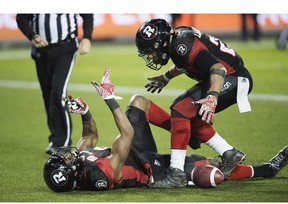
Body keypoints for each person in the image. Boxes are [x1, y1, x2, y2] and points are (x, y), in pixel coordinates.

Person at [42, 68, 288, 192]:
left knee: (139, 101)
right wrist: (109, 99)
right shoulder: (98, 175)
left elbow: (89, 136)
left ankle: (187, 132)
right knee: (210, 173)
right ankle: (267, 168)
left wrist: (84, 111)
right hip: (149, 169)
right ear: (71, 172)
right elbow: (127, 134)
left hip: (133, 153)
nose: (66, 154)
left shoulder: (79, 164)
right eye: (64, 159)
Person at [135, 18, 254, 188]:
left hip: (233, 78)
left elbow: (218, 68)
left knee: (180, 109)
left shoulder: (180, 46)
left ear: (159, 43)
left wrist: (212, 97)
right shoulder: (177, 42)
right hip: (230, 76)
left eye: (150, 51)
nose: (151, 56)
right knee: (187, 115)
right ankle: (229, 153)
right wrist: (166, 77)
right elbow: (188, 61)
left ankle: (176, 173)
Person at [16, 14, 94, 155]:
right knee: (47, 94)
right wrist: (32, 35)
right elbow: (21, 18)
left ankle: (63, 144)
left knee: (58, 92)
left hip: (66, 47)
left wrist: (87, 37)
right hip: (41, 49)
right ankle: (55, 140)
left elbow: (87, 12)